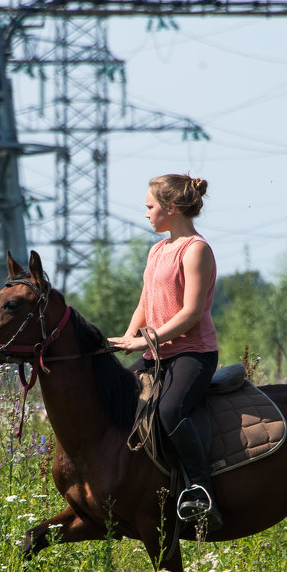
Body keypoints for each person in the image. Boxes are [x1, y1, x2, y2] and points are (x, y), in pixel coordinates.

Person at [108, 174, 221, 531]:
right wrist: (127, 337)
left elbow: (190, 315)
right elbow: (146, 301)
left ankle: (201, 490)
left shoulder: (196, 250)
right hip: (157, 353)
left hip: (193, 354)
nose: (146, 214)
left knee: (170, 411)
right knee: (117, 399)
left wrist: (145, 340)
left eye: (150, 207)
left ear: (170, 209)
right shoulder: (158, 250)